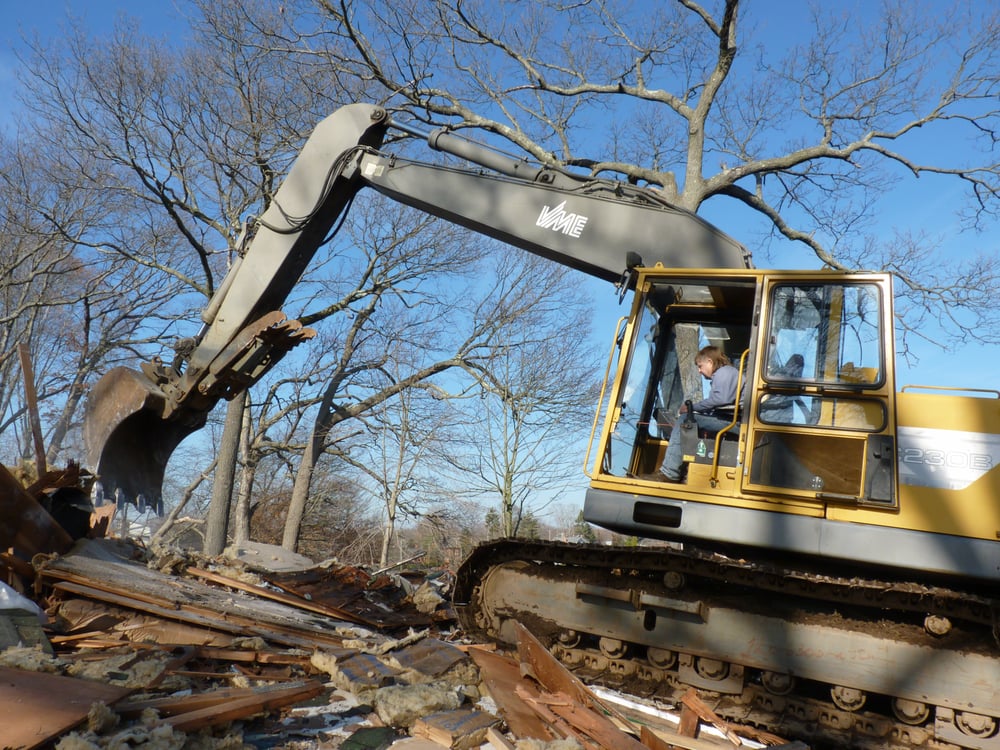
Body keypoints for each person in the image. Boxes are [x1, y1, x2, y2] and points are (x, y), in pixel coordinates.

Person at [658, 345, 740, 482]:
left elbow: (721, 399)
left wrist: (692, 408)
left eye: (700, 366)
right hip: (729, 419)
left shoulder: (724, 373)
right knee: (693, 422)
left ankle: (669, 473)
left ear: (710, 361)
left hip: (733, 422)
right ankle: (685, 472)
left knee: (685, 420)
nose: (699, 371)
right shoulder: (727, 374)